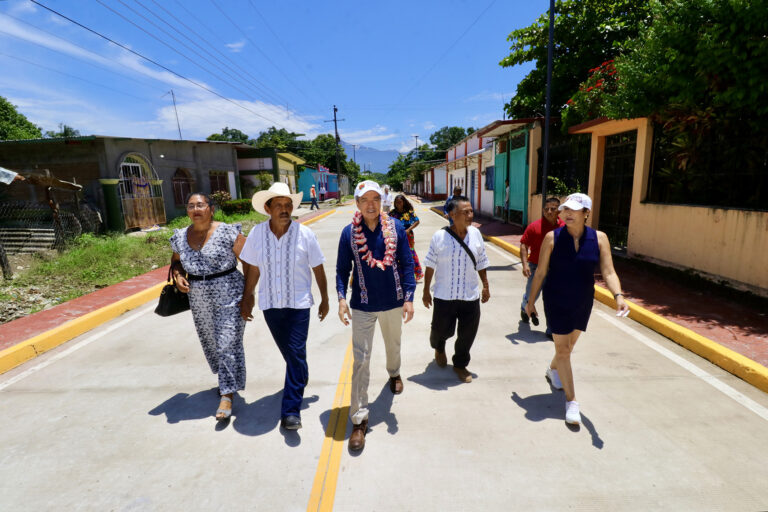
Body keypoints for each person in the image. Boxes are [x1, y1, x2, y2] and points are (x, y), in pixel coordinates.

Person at [525, 193, 629, 425]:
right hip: (556, 298)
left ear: (586, 213)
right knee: (563, 350)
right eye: (565, 209)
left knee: (568, 347)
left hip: (583, 300)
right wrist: (530, 302)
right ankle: (572, 402)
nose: (566, 213)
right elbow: (540, 272)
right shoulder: (552, 238)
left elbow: (609, 272)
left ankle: (553, 371)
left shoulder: (600, 238)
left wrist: (618, 297)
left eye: (573, 210)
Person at [239, 182, 329, 430]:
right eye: (278, 205)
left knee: (296, 351)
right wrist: (248, 297)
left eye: (288, 205)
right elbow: (253, 268)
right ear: (268, 208)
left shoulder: (305, 234)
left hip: (299, 304)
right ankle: (299, 374)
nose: (284, 209)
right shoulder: (257, 234)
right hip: (271, 304)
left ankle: (291, 411)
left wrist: (325, 298)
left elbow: (318, 267)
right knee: (292, 355)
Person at [336, 180, 416, 452]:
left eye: (375, 198)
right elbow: (340, 269)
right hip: (362, 305)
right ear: (357, 204)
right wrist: (340, 299)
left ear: (382, 201)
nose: (371, 204)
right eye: (364, 199)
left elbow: (406, 263)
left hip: (393, 302)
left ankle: (394, 373)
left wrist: (409, 298)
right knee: (361, 359)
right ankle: (359, 420)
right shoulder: (349, 233)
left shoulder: (397, 229)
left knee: (393, 345)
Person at [169, 192, 248, 421]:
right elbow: (176, 260)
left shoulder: (228, 231)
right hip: (198, 298)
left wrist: (249, 297)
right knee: (211, 343)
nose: (196, 209)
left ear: (211, 209)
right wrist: (177, 274)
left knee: (227, 342)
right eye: (191, 205)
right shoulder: (181, 236)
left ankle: (227, 394)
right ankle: (226, 378)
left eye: (201, 205)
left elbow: (251, 263)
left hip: (230, 293)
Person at [422, 195, 490, 383]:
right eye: (465, 212)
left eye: (471, 211)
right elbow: (430, 264)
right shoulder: (439, 237)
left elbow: (481, 261)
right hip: (445, 295)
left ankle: (460, 364)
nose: (470, 215)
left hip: (470, 295)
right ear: (452, 214)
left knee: (467, 334)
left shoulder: (476, 235)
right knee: (440, 330)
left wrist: (485, 285)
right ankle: (439, 346)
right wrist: (426, 290)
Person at [519, 197, 565, 338]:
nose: (549, 212)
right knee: (532, 295)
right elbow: (524, 245)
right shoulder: (534, 226)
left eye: (553, 209)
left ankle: (551, 329)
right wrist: (525, 264)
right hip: (535, 267)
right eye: (546, 209)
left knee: (551, 299)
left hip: (555, 270)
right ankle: (525, 306)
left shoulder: (565, 228)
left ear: (559, 211)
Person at [389, 194, 424, 281]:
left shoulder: (409, 212)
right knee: (397, 254)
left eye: (400, 202)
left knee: (410, 253)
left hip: (408, 236)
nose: (398, 204)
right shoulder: (392, 213)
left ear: (404, 202)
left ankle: (416, 274)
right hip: (396, 237)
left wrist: (409, 229)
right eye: (396, 202)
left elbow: (417, 221)